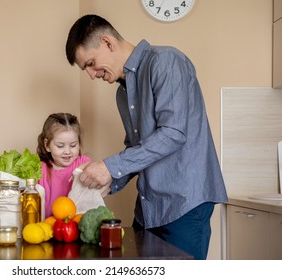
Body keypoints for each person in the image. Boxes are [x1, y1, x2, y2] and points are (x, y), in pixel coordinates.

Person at [65, 14, 228, 260]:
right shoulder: (122, 93)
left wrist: (111, 167)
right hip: (150, 208)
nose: (91, 74)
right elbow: (138, 148)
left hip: (184, 204)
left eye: (90, 63)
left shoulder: (166, 62)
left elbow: (173, 134)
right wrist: (110, 181)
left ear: (108, 43)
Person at [37, 112, 91, 218]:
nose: (67, 151)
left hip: (75, 226)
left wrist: (83, 170)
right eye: (60, 146)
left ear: (79, 144)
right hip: (46, 226)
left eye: (73, 145)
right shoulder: (40, 169)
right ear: (47, 145)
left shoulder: (83, 163)